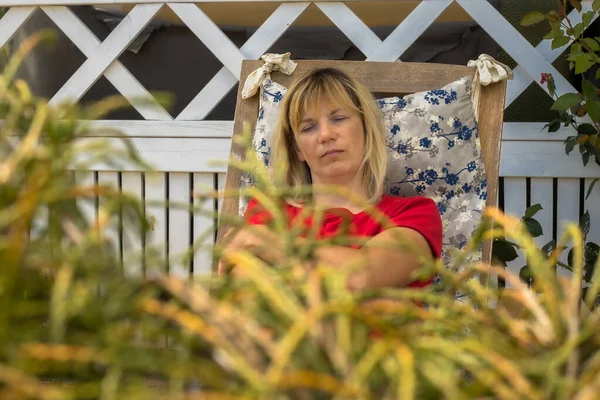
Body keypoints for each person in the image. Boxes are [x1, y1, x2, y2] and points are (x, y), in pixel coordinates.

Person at [218, 67, 442, 291]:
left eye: (339, 118)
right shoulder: (269, 211)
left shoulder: (415, 214)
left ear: (366, 129)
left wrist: (272, 245)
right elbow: (247, 298)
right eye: (308, 127)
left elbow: (360, 277)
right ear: (297, 149)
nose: (325, 135)